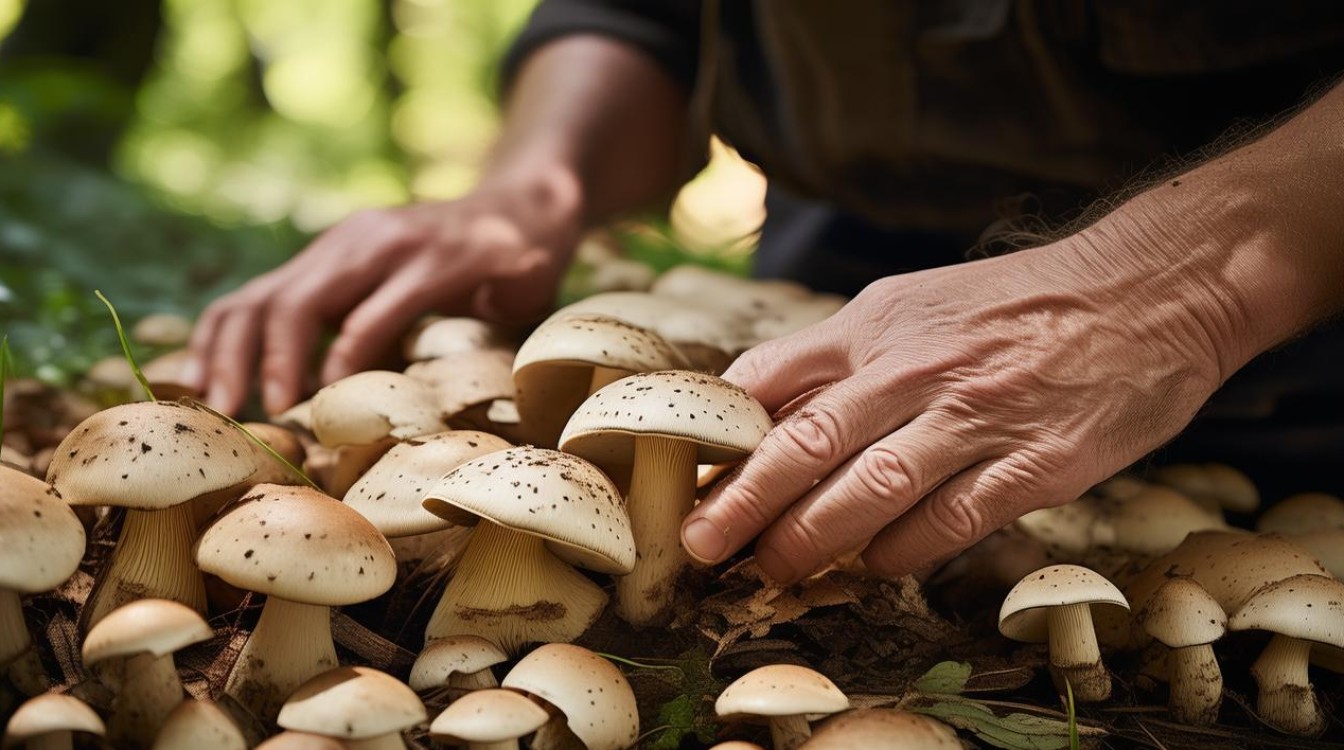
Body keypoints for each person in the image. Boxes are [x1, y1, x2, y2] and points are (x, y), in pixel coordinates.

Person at [186, 2, 1344, 585]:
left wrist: (1183, 290)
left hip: (1298, 376)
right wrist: (537, 182)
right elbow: (647, 15)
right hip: (828, 313)